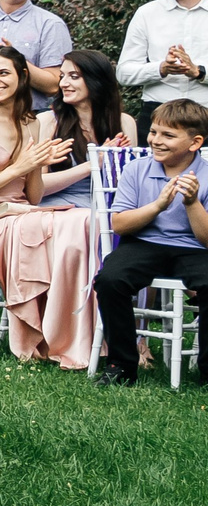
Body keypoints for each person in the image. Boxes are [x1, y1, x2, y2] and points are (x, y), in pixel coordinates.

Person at [0, 44, 93, 366]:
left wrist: (38, 165)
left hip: (21, 213)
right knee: (51, 224)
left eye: (2, 73)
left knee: (84, 219)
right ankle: (38, 335)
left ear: (22, 76)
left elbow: (34, 197)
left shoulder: (31, 123)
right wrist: (16, 169)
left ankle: (72, 334)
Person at [94, 98, 208, 388]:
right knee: (110, 279)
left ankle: (207, 369)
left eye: (167, 135)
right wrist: (157, 205)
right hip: (144, 242)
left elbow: (206, 239)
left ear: (195, 143)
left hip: (195, 248)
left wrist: (192, 202)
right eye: (154, 131)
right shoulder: (136, 169)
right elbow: (119, 224)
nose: (155, 140)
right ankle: (121, 364)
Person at [115, 0, 208, 141]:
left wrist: (199, 72)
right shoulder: (147, 13)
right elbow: (123, 73)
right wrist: (161, 69)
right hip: (156, 115)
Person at [38, 48, 138, 212]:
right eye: (62, 76)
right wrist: (93, 164)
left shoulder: (124, 122)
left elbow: (128, 186)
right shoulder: (47, 121)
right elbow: (37, 188)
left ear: (97, 80)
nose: (63, 83)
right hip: (59, 209)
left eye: (74, 77)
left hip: (108, 209)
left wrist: (113, 163)